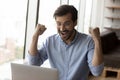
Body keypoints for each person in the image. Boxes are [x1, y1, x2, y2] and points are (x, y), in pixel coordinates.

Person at [27, 4, 104, 80]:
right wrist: (35, 36)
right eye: (59, 24)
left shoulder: (88, 42)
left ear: (75, 23)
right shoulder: (50, 41)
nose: (62, 29)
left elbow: (97, 71)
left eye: (67, 24)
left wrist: (97, 40)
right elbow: (33, 63)